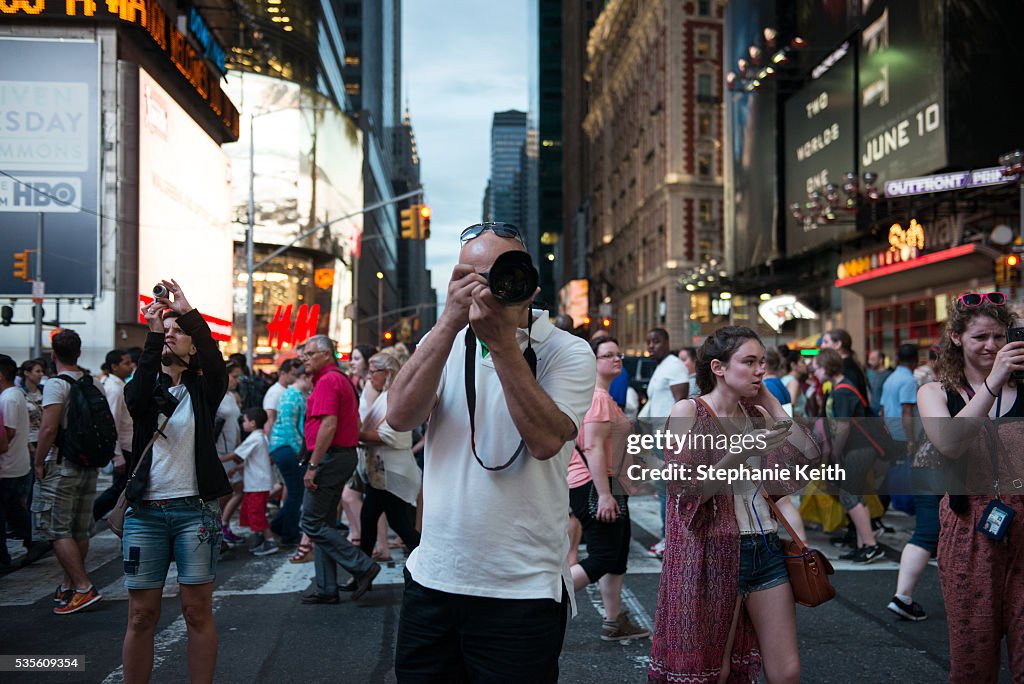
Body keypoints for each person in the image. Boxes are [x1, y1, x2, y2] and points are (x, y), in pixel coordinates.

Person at [387, 222, 595, 682]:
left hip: (522, 590)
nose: (491, 288)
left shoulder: (568, 351)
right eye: (475, 276)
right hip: (433, 580)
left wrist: (501, 341)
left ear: (530, 284)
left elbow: (544, 441)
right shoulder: (444, 341)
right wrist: (447, 324)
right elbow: (400, 417)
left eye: (505, 273)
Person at [648, 326, 819, 684]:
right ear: (719, 367)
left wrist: (773, 406)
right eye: (750, 362)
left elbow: (808, 460)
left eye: (763, 362)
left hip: (766, 548)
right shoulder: (688, 411)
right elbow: (687, 493)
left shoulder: (756, 412)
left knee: (786, 672)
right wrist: (740, 452)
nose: (761, 370)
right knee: (715, 670)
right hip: (712, 553)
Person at [121, 280, 232, 683]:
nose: (170, 334)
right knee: (141, 615)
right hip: (145, 514)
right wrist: (154, 333)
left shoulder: (205, 389)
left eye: (178, 332)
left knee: (196, 610)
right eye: (166, 331)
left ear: (193, 346)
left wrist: (187, 312)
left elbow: (217, 359)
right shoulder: (145, 392)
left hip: (195, 513)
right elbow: (134, 399)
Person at [917, 291, 1024, 681]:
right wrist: (994, 381)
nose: (991, 346)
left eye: (999, 336)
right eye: (980, 337)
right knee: (973, 655)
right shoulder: (934, 392)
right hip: (970, 531)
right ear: (957, 338)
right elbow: (950, 443)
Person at [567, 337, 649, 641]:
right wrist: (604, 494)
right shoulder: (597, 398)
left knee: (616, 556)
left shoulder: (602, 396)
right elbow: (593, 446)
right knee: (602, 556)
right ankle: (539, 601)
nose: (617, 360)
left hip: (609, 483)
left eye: (619, 354)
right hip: (595, 484)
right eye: (608, 355)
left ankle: (614, 621)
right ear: (593, 361)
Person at [298, 334, 379, 604]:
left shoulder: (329, 380)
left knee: (310, 521)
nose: (304, 358)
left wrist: (313, 465)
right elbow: (351, 423)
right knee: (323, 522)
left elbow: (328, 426)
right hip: (341, 456)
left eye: (309, 354)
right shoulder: (338, 379)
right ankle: (326, 588)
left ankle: (363, 566)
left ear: (325, 355)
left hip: (331, 458)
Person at [33, 329, 106, 614]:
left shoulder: (55, 385)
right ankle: (70, 585)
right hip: (88, 465)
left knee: (58, 529)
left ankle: (83, 586)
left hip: (63, 465)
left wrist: (39, 461)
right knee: (80, 528)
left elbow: (49, 427)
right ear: (79, 352)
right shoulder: (93, 384)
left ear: (53, 355)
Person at [815, 348, 884, 563]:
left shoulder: (841, 391)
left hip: (857, 449)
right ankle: (863, 544)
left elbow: (843, 426)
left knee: (849, 495)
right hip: (859, 449)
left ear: (826, 367)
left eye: (816, 368)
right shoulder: (842, 387)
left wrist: (835, 452)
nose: (814, 373)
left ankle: (870, 545)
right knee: (855, 495)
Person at [354, 352, 421, 567]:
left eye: (374, 372)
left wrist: (356, 435)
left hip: (392, 473)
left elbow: (390, 436)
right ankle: (363, 571)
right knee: (370, 518)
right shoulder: (387, 395)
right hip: (383, 473)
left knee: (400, 524)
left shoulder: (395, 397)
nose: (370, 376)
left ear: (388, 373)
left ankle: (427, 566)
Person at [883, 344, 933, 621]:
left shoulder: (892, 378)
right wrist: (912, 441)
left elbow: (882, 409)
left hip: (894, 436)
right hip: (907, 439)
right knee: (927, 530)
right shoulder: (909, 381)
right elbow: (906, 411)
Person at [639, 327, 689, 558]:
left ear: (667, 342)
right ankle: (668, 537)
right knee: (663, 489)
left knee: (668, 489)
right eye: (649, 341)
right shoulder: (663, 366)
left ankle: (670, 539)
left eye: (656, 341)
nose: (651, 346)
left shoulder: (674, 365)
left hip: (669, 436)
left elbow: (680, 403)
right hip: (658, 435)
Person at [222, 407, 277, 556]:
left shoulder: (254, 438)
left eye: (245, 420)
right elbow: (254, 460)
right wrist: (237, 468)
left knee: (257, 514)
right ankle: (259, 540)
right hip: (258, 484)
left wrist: (218, 459)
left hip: (257, 485)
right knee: (254, 513)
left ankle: (269, 541)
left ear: (252, 423)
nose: (243, 423)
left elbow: (236, 454)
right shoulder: (262, 437)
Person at [270, 366, 311, 547]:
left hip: (287, 447)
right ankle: (288, 533)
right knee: (296, 492)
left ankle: (280, 525)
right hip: (285, 447)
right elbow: (288, 427)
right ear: (304, 377)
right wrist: (299, 453)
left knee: (296, 491)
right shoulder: (291, 395)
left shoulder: (297, 395)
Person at [94, 349, 135, 522]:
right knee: (120, 489)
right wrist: (117, 455)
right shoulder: (114, 389)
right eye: (126, 363)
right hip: (124, 447)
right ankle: (94, 515)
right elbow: (112, 424)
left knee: (123, 488)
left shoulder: (121, 386)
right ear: (114, 367)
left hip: (128, 445)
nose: (130, 366)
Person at [0, 354, 33, 569]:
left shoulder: (9, 398)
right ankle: (33, 539)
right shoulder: (14, 394)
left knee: (9, 510)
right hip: (16, 463)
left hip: (9, 465)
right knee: (14, 510)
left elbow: (8, 433)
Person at [216, 361, 244, 544]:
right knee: (227, 492)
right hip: (221, 451)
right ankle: (218, 527)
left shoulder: (231, 396)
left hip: (233, 450)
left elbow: (236, 424)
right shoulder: (216, 395)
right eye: (234, 376)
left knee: (238, 490)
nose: (237, 380)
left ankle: (223, 525)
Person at [822, 328, 869, 399]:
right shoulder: (845, 366)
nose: (822, 346)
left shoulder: (847, 369)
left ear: (838, 344)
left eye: (826, 342)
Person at [262, 359, 298, 437]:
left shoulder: (290, 391)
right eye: (293, 375)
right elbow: (270, 419)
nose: (296, 378)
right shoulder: (275, 392)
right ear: (283, 373)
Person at [867, 349, 892, 414]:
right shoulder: (870, 374)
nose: (869, 362)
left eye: (872, 359)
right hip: (871, 411)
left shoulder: (888, 375)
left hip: (883, 412)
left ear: (880, 360)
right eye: (869, 359)